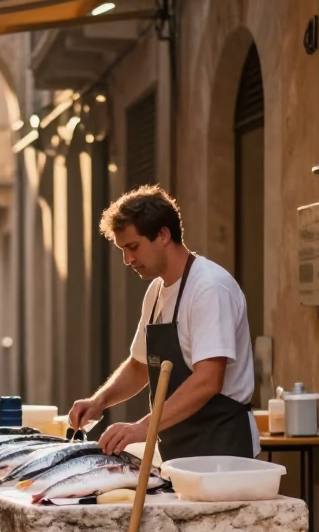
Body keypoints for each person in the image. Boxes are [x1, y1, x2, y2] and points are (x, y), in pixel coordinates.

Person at [69, 185, 259, 461]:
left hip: (222, 452)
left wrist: (143, 427)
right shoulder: (157, 291)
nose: (128, 259)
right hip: (176, 449)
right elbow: (140, 365)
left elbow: (208, 380)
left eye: (133, 247)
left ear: (163, 234)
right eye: (123, 250)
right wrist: (100, 401)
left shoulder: (209, 288)